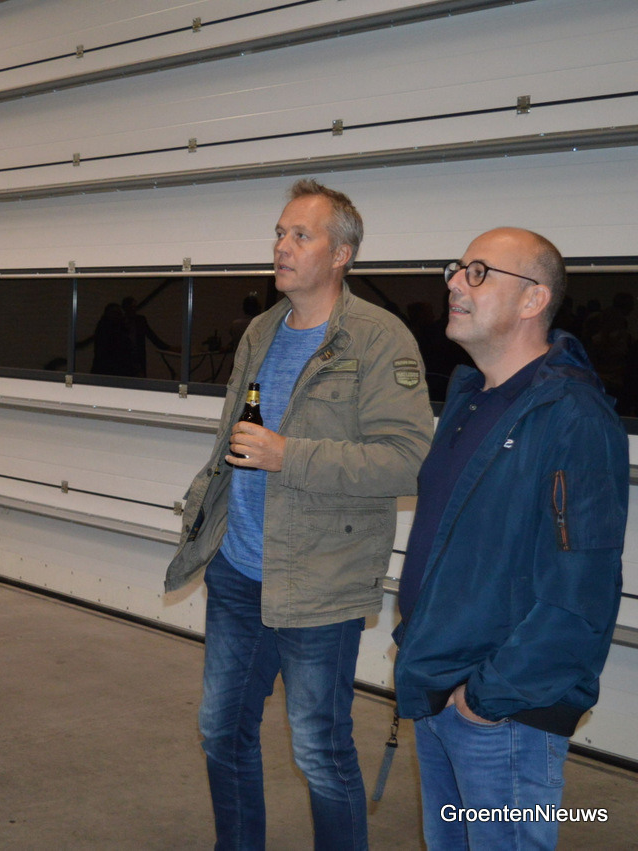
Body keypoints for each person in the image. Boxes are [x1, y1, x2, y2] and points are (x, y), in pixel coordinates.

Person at [165, 179, 434, 850]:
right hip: (237, 571)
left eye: (301, 235)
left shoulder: (379, 339)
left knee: (319, 750)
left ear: (341, 254)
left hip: (320, 581)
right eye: (280, 234)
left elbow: (407, 460)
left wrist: (290, 455)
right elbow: (231, 440)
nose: (282, 246)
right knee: (220, 731)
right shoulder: (261, 331)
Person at [393, 228, 628, 850]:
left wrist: (486, 698)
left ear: (533, 299)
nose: (454, 282)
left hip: (503, 714)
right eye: (456, 269)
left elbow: (582, 594)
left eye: (478, 272)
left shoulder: (574, 418)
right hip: (439, 688)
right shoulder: (472, 399)